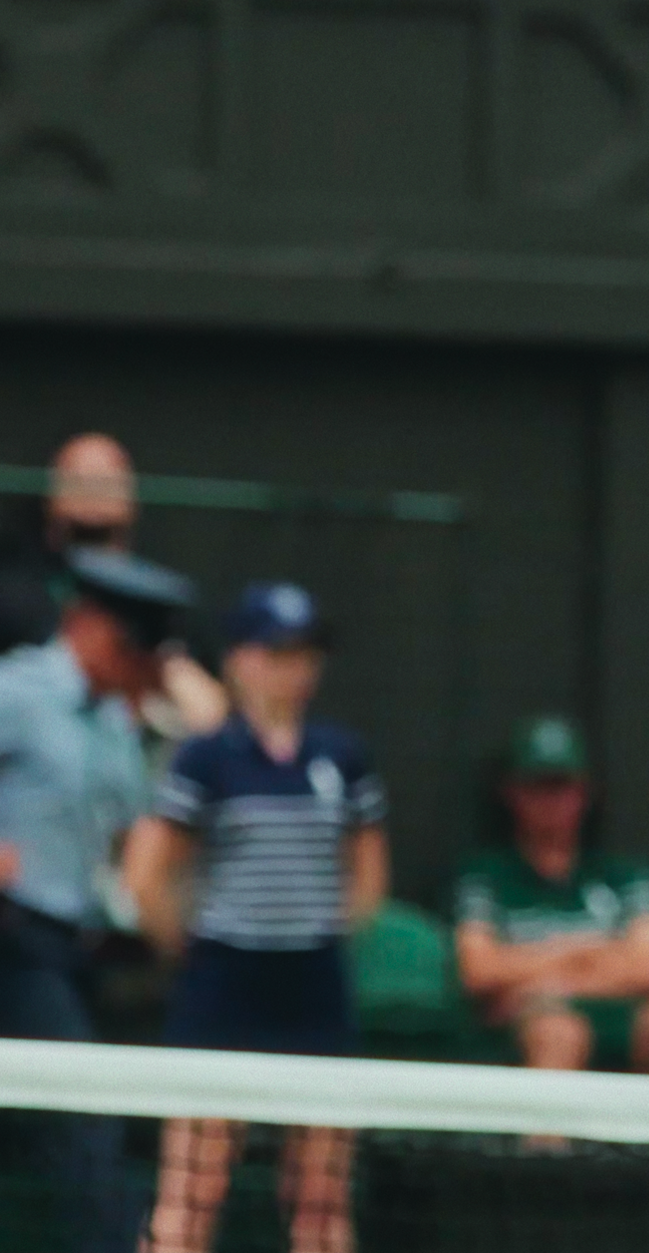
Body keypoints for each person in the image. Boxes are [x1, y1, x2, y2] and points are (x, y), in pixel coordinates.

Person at [122, 582, 389, 1253]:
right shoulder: (206, 758)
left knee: (322, 1201)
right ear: (240, 658)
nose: (293, 668)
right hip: (222, 989)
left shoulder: (343, 757)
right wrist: (186, 944)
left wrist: (324, 931)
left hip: (314, 989)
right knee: (191, 1190)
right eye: (277, 652)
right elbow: (147, 872)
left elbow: (368, 871)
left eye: (305, 653)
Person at [0, 547, 194, 1253]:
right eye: (126, 642)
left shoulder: (117, 723)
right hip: (13, 942)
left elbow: (129, 835)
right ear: (82, 621)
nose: (133, 661)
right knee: (83, 1122)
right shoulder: (16, 691)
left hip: (76, 951)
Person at [453, 716, 649, 1078]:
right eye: (538, 787)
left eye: (563, 786)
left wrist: (545, 970)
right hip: (531, 1019)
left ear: (585, 792)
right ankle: (544, 1137)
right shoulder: (484, 876)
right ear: (511, 792)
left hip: (619, 1014)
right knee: (559, 1032)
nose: (552, 801)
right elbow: (480, 970)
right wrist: (592, 952)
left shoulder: (625, 875)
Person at [0, 433, 224, 735]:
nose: (93, 492)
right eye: (79, 479)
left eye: (106, 479)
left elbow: (210, 715)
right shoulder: (14, 592)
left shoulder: (158, 598)